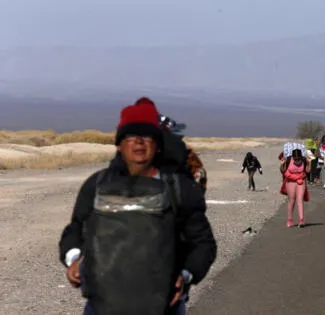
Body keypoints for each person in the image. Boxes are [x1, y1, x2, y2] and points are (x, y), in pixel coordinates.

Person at [58, 101, 217, 315]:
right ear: (119, 144)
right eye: (131, 136)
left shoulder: (179, 189)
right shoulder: (96, 185)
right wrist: (74, 258)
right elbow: (75, 229)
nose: (139, 142)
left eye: (147, 136)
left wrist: (186, 274)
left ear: (158, 144)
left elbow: (202, 242)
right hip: (103, 304)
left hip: (164, 305)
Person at [280, 149, 311, 228]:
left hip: (301, 181)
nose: (297, 160)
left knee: (300, 199)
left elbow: (307, 171)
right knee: (292, 201)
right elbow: (283, 171)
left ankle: (301, 220)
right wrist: (282, 164)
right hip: (290, 181)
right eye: (295, 158)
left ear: (301, 157)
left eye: (298, 158)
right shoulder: (288, 160)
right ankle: (290, 220)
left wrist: (309, 162)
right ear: (292, 157)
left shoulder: (304, 160)